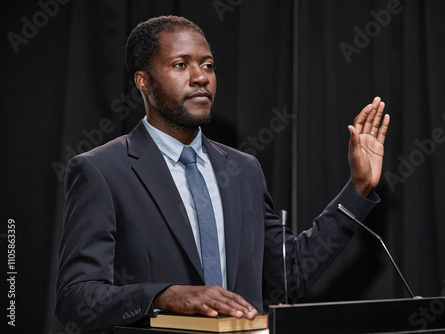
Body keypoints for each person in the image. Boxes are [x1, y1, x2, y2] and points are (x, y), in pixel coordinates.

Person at [55, 15, 390, 333]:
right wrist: (164, 295)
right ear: (143, 81)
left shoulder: (243, 170)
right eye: (181, 65)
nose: (201, 77)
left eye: (208, 66)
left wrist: (358, 187)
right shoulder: (101, 170)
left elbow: (292, 273)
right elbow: (76, 298)